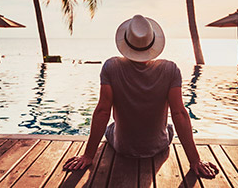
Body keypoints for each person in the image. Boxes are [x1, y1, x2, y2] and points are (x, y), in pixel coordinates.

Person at [63, 15, 219, 179]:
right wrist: (195, 160)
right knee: (170, 127)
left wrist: (88, 156)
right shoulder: (170, 69)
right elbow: (179, 113)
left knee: (112, 126)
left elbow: (103, 111)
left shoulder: (111, 67)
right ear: (153, 43)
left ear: (125, 42)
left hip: (122, 146)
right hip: (158, 146)